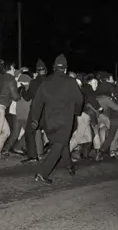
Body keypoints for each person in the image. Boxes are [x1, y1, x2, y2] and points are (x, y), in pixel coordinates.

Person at [31, 54, 83, 184]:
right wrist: (77, 111)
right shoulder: (70, 82)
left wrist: (35, 119)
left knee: (61, 144)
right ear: (65, 69)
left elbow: (37, 102)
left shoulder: (46, 82)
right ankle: (42, 173)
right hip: (65, 120)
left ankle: (69, 166)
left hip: (50, 120)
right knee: (59, 146)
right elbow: (79, 100)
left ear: (54, 68)